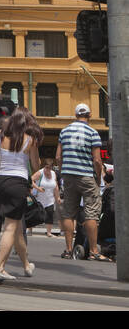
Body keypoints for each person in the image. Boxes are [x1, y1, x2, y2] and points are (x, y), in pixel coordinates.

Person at [0, 108, 42, 281]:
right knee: (10, 226)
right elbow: (36, 165)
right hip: (17, 184)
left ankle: (26, 265)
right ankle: (0, 267)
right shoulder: (29, 140)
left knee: (15, 227)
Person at [56, 103, 107, 261]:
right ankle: (93, 251)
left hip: (69, 176)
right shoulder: (93, 133)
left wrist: (63, 173)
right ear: (89, 115)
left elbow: (58, 156)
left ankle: (68, 250)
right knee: (91, 213)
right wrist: (98, 177)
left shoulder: (64, 131)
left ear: (76, 115)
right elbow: (97, 160)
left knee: (69, 212)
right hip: (86, 176)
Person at [31, 158, 60, 238]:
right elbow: (31, 180)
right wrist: (38, 188)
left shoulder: (53, 174)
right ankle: (30, 230)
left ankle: (49, 232)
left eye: (50, 168)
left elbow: (56, 186)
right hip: (39, 198)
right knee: (34, 214)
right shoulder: (40, 173)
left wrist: (57, 197)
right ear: (44, 166)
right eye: (47, 167)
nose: (48, 169)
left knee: (50, 213)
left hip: (50, 199)